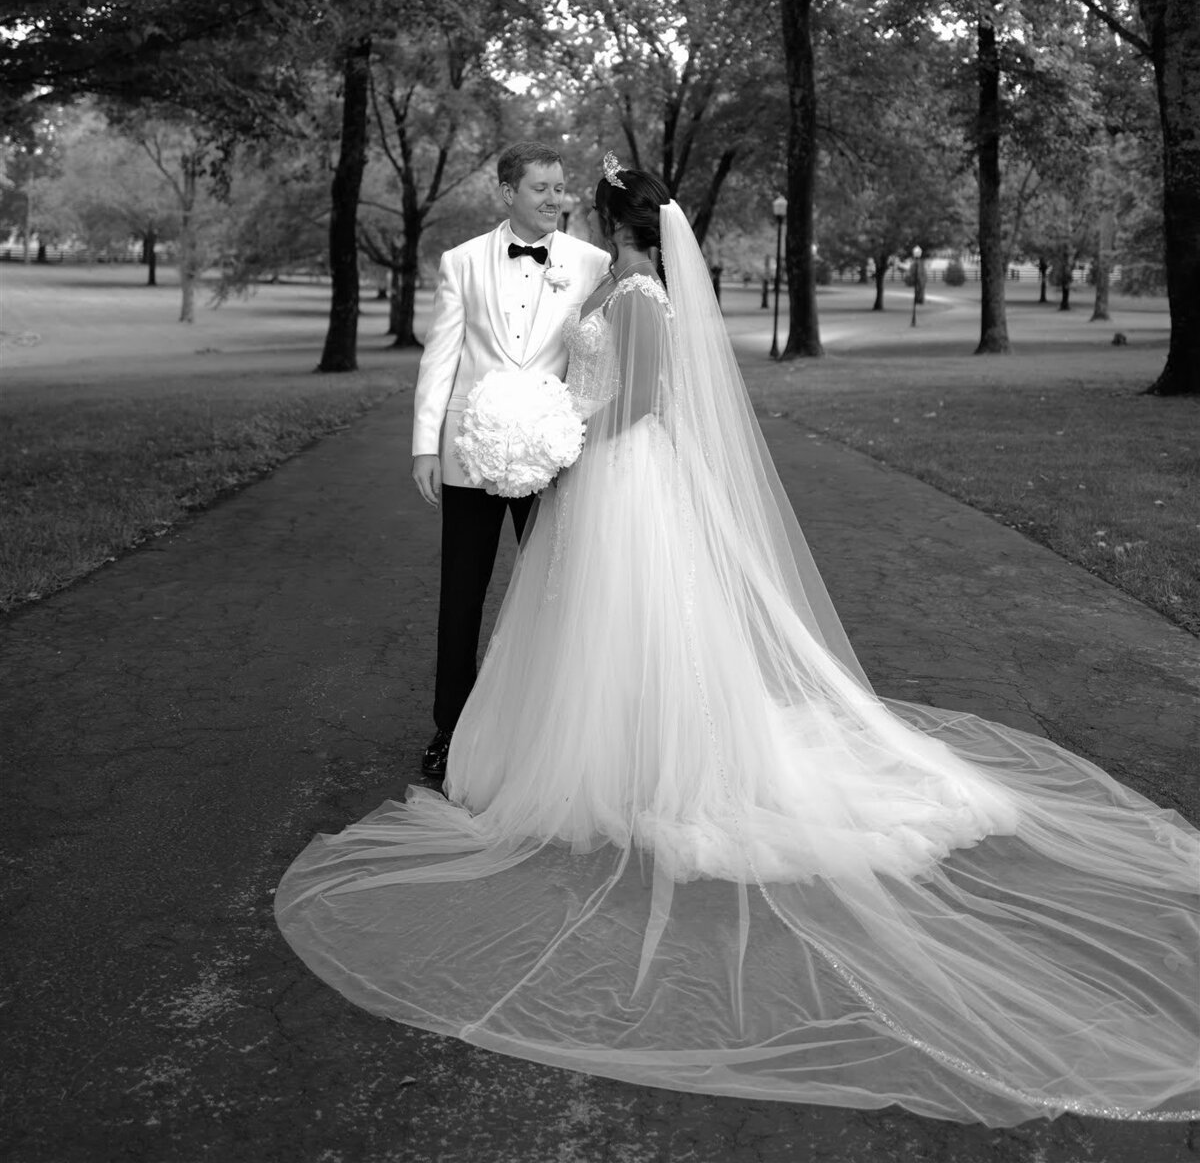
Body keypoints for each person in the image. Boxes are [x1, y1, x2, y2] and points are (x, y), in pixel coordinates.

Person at [277, 158, 1198, 1127]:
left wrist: (558, 434)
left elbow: (634, 403)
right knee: (602, 626)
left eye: (585, 201)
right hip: (606, 477)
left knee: (622, 619)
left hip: (620, 474)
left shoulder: (632, 291)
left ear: (611, 221)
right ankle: (618, 746)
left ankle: (634, 763)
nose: (572, 208)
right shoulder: (617, 279)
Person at [409, 141, 609, 780]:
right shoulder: (461, 262)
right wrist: (424, 446)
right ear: (506, 192)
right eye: (540, 189)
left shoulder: (592, 262)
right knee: (461, 596)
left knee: (551, 592)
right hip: (473, 451)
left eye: (559, 188)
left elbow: (599, 357)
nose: (554, 199)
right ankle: (450, 730)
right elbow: (440, 359)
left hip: (549, 460)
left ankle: (547, 730)